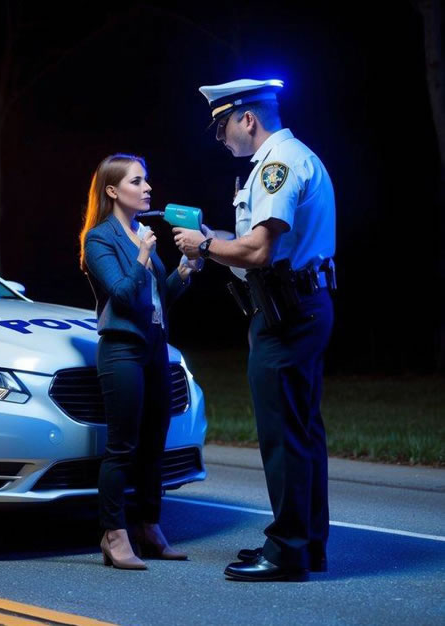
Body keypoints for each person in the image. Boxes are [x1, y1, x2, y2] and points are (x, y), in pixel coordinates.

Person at [173, 79, 336, 582]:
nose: (221, 139)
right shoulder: (291, 159)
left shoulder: (277, 166)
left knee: (283, 435)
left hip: (286, 314)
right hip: (303, 304)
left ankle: (287, 549)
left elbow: (259, 252)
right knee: (303, 430)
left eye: (222, 127)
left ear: (248, 119)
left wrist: (202, 248)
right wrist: (215, 237)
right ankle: (306, 544)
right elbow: (253, 244)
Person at [80, 154, 196, 570]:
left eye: (147, 181)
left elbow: (155, 297)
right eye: (137, 181)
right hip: (121, 350)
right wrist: (144, 254)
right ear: (113, 190)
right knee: (122, 447)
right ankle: (114, 535)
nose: (148, 188)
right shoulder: (100, 239)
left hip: (154, 349)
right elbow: (123, 295)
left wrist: (181, 274)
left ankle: (149, 527)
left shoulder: (138, 232)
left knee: (153, 445)